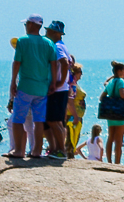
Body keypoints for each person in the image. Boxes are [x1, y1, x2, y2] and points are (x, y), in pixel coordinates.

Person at [8, 15, 59, 161]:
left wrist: (13, 82)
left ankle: (19, 150)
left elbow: (17, 62)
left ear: (31, 24)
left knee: (18, 120)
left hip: (25, 86)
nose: (25, 26)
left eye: (26, 24)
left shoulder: (22, 41)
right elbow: (53, 64)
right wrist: (53, 83)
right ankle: (36, 151)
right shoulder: (49, 43)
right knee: (38, 121)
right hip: (42, 88)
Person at [43, 21, 75, 159]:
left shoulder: (56, 46)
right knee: (55, 120)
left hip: (58, 89)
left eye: (49, 31)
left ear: (56, 33)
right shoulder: (61, 46)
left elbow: (64, 62)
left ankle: (61, 150)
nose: (46, 33)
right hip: (61, 89)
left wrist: (59, 82)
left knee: (54, 120)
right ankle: (56, 149)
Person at [98, 61, 124, 164]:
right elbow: (122, 95)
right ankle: (117, 162)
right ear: (119, 71)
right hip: (120, 112)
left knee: (110, 137)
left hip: (110, 113)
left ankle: (109, 161)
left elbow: (102, 97)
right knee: (118, 139)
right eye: (123, 70)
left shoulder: (111, 82)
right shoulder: (121, 81)